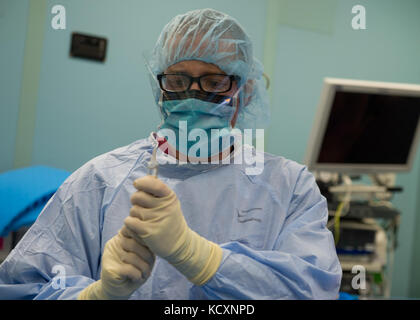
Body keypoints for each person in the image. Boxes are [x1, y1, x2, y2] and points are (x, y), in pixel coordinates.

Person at [0, 8, 342, 300]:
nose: (193, 95)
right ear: (159, 87)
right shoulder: (100, 181)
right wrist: (98, 293)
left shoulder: (290, 187)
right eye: (178, 81)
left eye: (213, 81)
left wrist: (199, 257)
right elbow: (23, 286)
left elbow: (313, 289)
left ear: (244, 90)